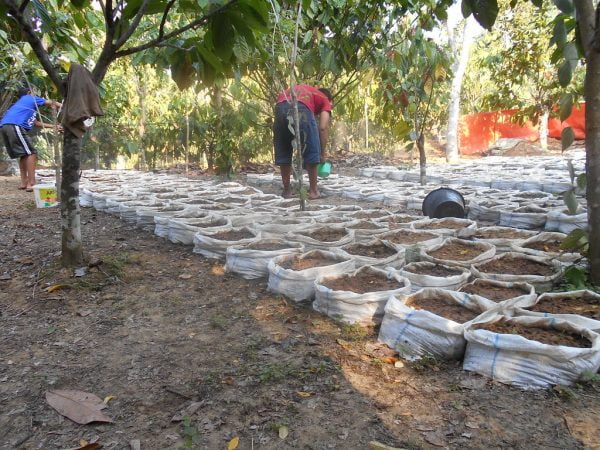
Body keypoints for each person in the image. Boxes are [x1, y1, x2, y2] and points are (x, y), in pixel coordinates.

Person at [273, 84, 333, 199]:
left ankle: (287, 191)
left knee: (284, 147)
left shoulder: (304, 90)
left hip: (280, 107)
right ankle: (313, 191)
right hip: (301, 107)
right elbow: (322, 127)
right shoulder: (324, 99)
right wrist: (322, 153)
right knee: (312, 148)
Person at [0, 84, 62, 191]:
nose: (36, 94)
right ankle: (31, 183)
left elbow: (36, 123)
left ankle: (24, 183)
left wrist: (55, 126)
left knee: (24, 154)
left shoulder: (24, 106)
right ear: (29, 93)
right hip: (15, 125)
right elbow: (51, 103)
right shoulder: (29, 98)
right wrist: (66, 106)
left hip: (6, 126)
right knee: (32, 153)